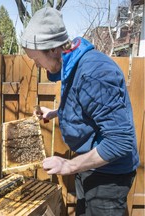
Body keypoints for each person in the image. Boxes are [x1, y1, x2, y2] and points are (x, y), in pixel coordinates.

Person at [20, 7, 140, 216]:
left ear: (53, 49)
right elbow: (88, 105)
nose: (37, 65)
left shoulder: (95, 73)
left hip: (108, 177)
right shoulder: (71, 63)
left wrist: (69, 165)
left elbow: (120, 141)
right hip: (89, 166)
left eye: (36, 59)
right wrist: (57, 113)